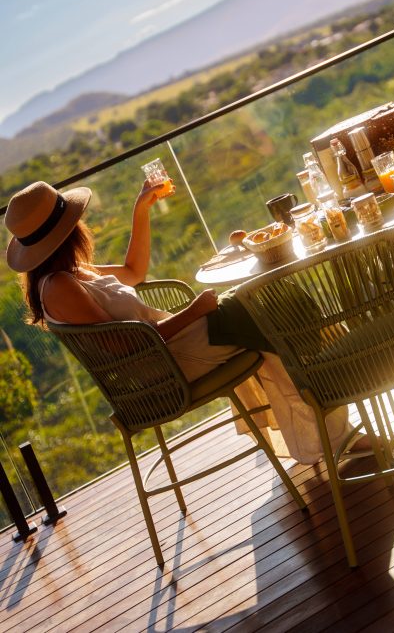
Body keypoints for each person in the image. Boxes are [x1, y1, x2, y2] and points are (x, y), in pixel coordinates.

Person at [3, 178, 354, 464]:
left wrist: (141, 209)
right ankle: (336, 393)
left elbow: (133, 272)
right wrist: (195, 312)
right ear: (67, 230)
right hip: (169, 366)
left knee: (264, 299)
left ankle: (326, 412)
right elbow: (131, 345)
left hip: (176, 347)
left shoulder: (70, 273)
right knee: (262, 303)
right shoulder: (60, 286)